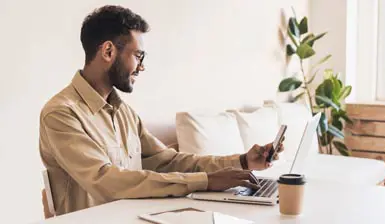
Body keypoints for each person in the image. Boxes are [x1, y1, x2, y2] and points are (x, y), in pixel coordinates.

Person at [39, 5, 284, 215]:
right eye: (138, 56)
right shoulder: (61, 114)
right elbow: (107, 181)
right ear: (108, 51)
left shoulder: (124, 113)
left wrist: (241, 161)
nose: (141, 67)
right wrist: (205, 182)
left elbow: (169, 161)